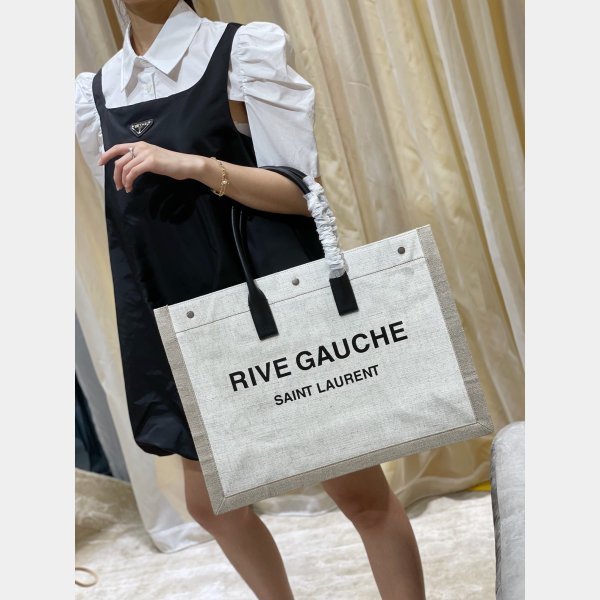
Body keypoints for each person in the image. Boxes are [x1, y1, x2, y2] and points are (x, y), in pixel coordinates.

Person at [75, 1, 426, 598]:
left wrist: (196, 165)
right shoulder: (94, 94)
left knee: (360, 496)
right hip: (185, 317)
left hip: (271, 300)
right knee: (211, 505)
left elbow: (302, 195)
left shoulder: (242, 52)